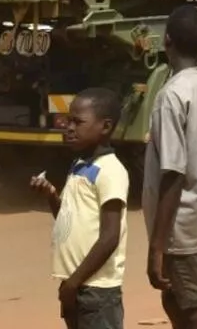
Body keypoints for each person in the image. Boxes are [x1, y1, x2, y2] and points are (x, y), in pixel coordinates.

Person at [142, 5, 197, 329]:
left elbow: (173, 174)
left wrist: (157, 246)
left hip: (178, 222)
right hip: (195, 211)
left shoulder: (171, 96)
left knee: (193, 300)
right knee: (175, 296)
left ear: (167, 41)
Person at [31, 87, 129, 329]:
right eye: (68, 120)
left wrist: (74, 283)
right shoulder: (79, 165)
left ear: (105, 127)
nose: (69, 128)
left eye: (78, 122)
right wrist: (51, 195)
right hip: (76, 284)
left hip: (97, 290)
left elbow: (110, 237)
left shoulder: (111, 171)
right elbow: (66, 220)